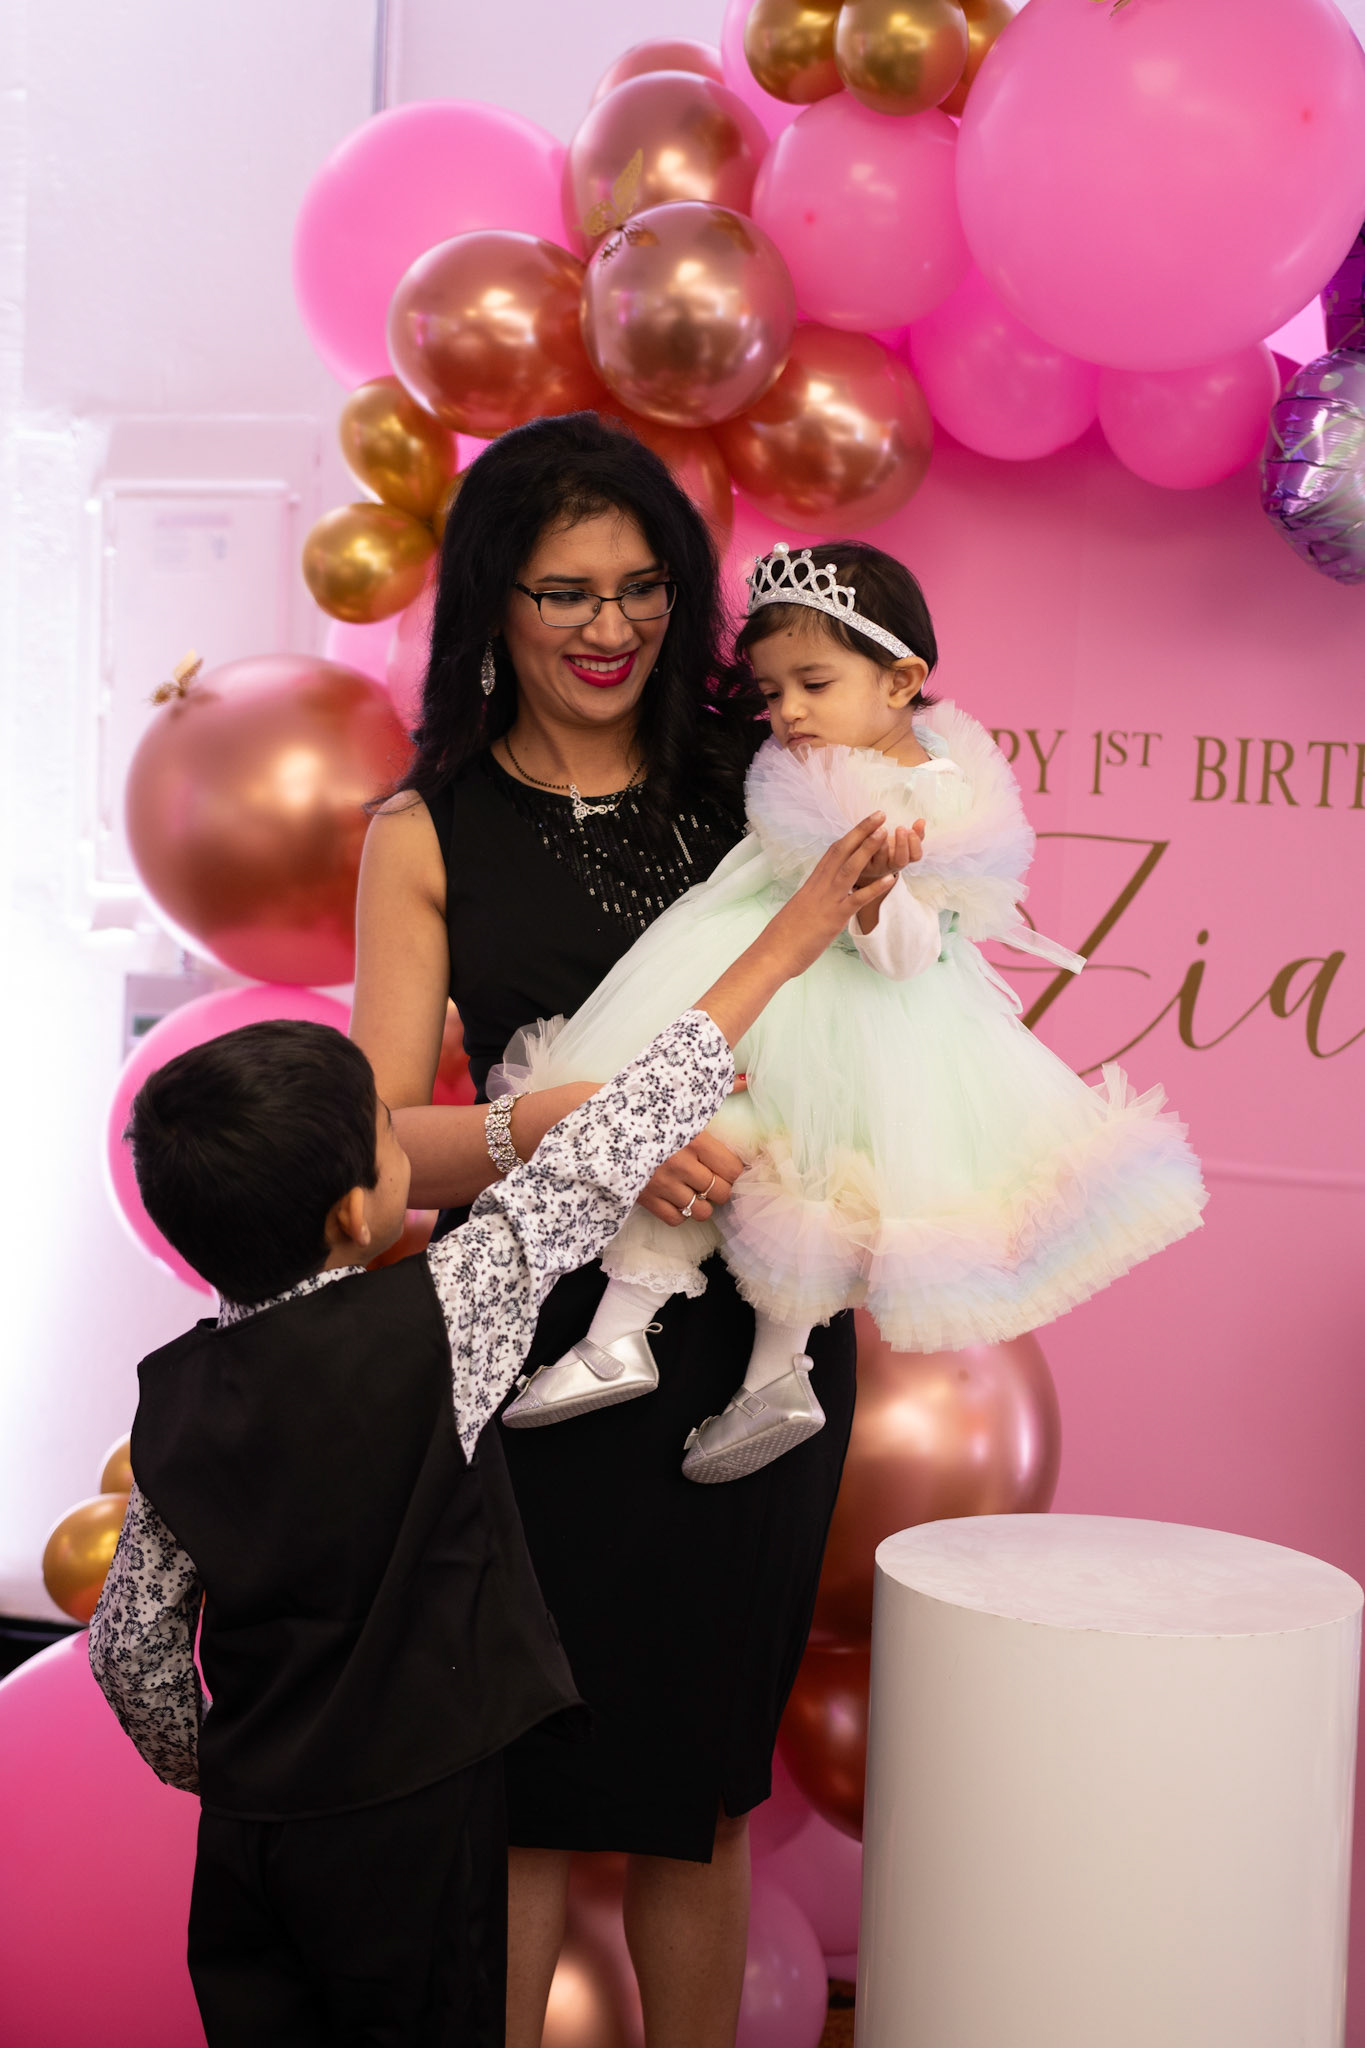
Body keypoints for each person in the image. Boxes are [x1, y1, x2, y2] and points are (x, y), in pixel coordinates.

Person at [86, 818, 895, 2048]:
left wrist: (224, 1768)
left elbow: (129, 1647)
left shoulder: (176, 1400)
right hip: (419, 1823)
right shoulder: (448, 1312)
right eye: (389, 1137)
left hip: (259, 1844)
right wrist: (786, 943)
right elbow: (625, 1126)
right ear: (356, 1208)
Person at [349, 413, 858, 2048]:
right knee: (520, 1788)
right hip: (533, 1344)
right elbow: (373, 1159)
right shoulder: (425, 830)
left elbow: (880, 1004)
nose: (610, 626)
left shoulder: (757, 787)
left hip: (748, 1340)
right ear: (490, 602)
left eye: (643, 588)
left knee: (700, 1792)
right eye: (565, 591)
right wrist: (554, 1128)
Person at [497, 538, 1209, 1483]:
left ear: (900, 680)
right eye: (772, 691)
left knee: (815, 1180)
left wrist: (875, 895)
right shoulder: (813, 764)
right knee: (677, 1122)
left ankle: (771, 1373)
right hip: (750, 964)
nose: (786, 711)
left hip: (856, 1016)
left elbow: (909, 958)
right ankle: (621, 1338)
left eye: (813, 684)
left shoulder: (927, 800)